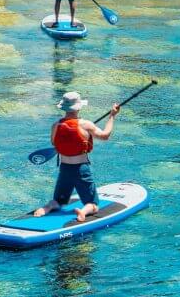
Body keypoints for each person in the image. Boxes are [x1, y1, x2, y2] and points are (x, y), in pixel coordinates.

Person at [33, 90, 120, 223]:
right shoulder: (86, 125)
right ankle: (83, 211)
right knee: (94, 204)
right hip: (81, 170)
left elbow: (54, 143)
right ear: (79, 107)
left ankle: (49, 206)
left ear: (64, 107)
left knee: (59, 201)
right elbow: (105, 135)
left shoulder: (56, 125)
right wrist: (112, 116)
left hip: (64, 169)